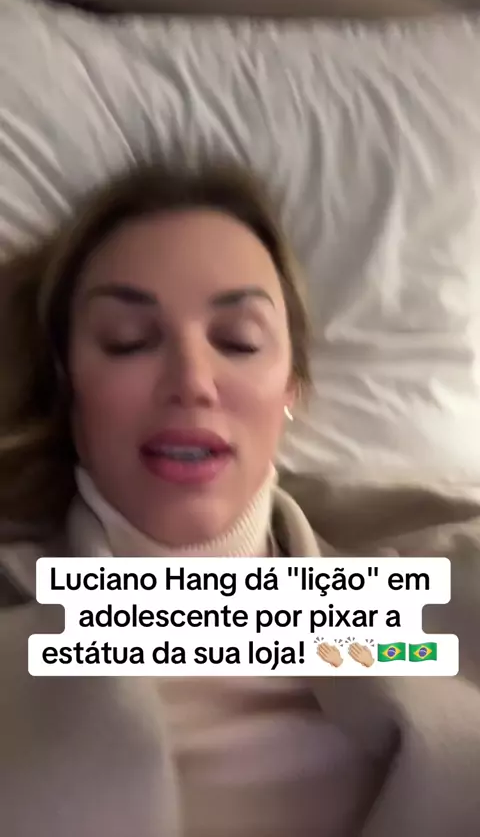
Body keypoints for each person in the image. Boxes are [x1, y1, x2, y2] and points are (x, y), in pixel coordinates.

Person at [0, 162, 479, 837]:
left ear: (291, 389)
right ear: (69, 394)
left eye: (238, 341)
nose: (193, 381)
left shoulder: (429, 596)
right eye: (127, 341)